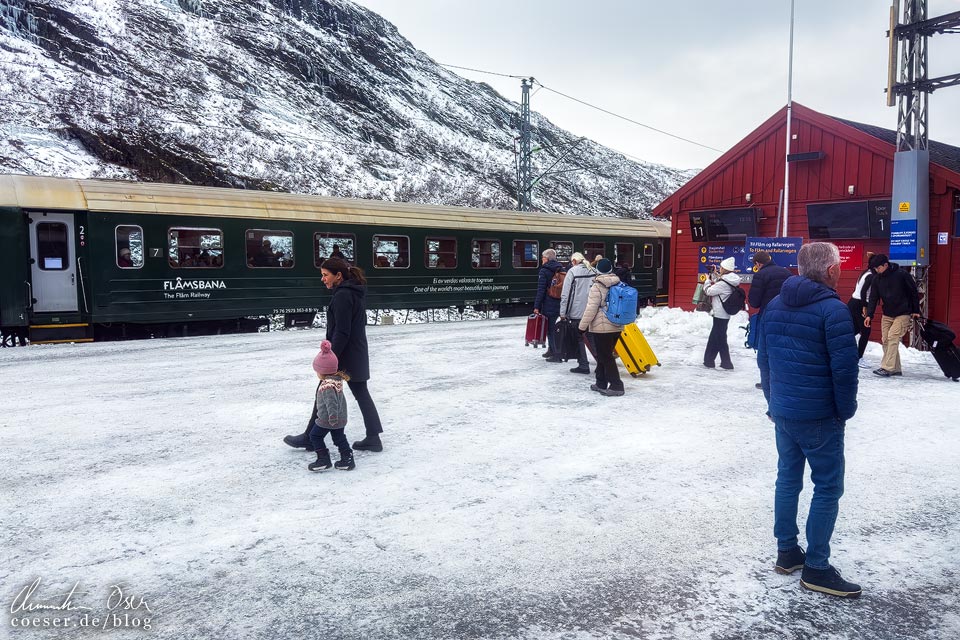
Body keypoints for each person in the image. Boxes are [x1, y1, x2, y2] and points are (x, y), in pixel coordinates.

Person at [757, 241, 860, 598]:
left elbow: (764, 359)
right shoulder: (833, 310)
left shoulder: (774, 304)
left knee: (788, 479)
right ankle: (816, 567)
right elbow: (844, 370)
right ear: (830, 270)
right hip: (818, 415)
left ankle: (787, 551)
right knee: (828, 486)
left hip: (784, 411)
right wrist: (844, 411)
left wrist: (773, 402)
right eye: (839, 266)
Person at [283, 258, 385, 452]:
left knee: (323, 392)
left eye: (325, 275)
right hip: (356, 352)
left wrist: (330, 357)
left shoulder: (343, 295)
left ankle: (310, 437)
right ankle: (373, 437)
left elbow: (342, 331)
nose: (323, 279)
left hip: (343, 355)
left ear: (338, 275)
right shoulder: (354, 291)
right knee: (361, 394)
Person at [863, 253, 921, 377]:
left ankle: (887, 368)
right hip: (887, 313)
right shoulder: (876, 279)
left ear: (885, 265)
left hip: (903, 312)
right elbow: (873, 298)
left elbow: (913, 292)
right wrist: (869, 315)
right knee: (885, 340)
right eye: (875, 269)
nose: (876, 271)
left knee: (892, 337)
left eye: (878, 268)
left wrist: (916, 310)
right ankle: (896, 368)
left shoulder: (902, 274)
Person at [578, 258, 625, 396]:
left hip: (602, 327)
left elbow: (591, 309)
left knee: (606, 357)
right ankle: (601, 382)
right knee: (604, 355)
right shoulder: (618, 283)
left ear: (597, 270)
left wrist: (581, 327)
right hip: (617, 325)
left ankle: (617, 386)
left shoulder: (597, 286)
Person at [306, 340, 355, 472]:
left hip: (329, 419)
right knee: (339, 438)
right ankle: (347, 459)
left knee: (315, 436)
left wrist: (332, 417)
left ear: (322, 371)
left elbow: (331, 402)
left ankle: (323, 459)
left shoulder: (327, 385)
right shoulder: (336, 380)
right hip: (340, 417)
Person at [747, 251, 791, 387]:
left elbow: (754, 302)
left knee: (765, 350)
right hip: (787, 316)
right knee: (783, 348)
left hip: (768, 316)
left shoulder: (760, 275)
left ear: (758, 263)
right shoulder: (786, 273)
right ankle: (783, 379)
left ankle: (767, 381)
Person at [559, 252, 596, 374]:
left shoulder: (572, 272)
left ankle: (584, 365)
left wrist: (563, 313)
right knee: (592, 339)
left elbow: (566, 295)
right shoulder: (594, 271)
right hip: (592, 312)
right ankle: (602, 365)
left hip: (577, 313)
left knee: (579, 338)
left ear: (574, 261)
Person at [701, 256, 741, 370]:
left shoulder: (724, 283)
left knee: (720, 338)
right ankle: (709, 361)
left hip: (720, 312)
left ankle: (726, 363)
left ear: (725, 269)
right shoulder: (731, 279)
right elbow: (721, 280)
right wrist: (714, 274)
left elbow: (708, 291)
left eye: (721, 267)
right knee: (716, 337)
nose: (719, 269)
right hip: (724, 313)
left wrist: (708, 280)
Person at [533, 248, 564, 362]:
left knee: (549, 329)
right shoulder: (561, 269)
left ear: (547, 259)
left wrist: (536, 306)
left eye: (543, 258)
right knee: (551, 328)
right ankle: (551, 350)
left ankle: (556, 355)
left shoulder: (544, 271)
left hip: (548, 304)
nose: (542, 260)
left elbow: (541, 290)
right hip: (559, 303)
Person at [847, 252, 876, 361]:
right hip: (860, 303)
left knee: (854, 329)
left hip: (853, 301)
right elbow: (864, 291)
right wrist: (865, 306)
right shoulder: (871, 276)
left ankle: (845, 351)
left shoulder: (865, 272)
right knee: (866, 331)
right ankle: (859, 357)